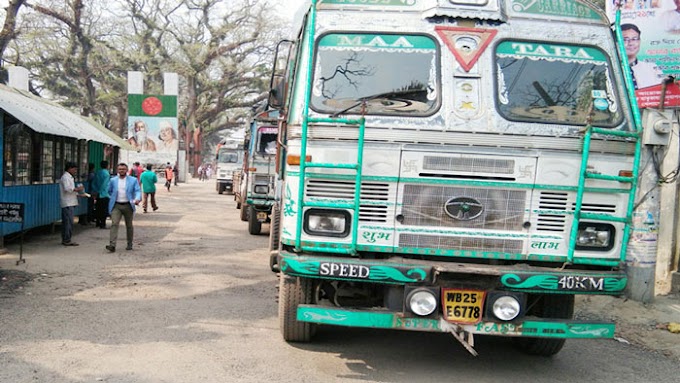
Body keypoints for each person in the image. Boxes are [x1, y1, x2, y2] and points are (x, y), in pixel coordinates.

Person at [105, 163, 142, 252]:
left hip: (128, 205)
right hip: (116, 205)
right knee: (114, 224)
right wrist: (113, 197)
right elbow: (109, 190)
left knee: (129, 225)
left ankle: (129, 243)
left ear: (127, 170)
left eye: (123, 169)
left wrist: (137, 199)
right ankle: (112, 244)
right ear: (117, 170)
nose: (122, 171)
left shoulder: (133, 180)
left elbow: (137, 191)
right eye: (120, 169)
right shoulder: (113, 180)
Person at [621, 24, 662, 90]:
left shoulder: (652, 68)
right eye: (625, 39)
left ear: (639, 41)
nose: (631, 43)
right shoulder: (611, 69)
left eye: (634, 39)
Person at [59, 162, 85, 246]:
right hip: (67, 203)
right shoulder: (65, 177)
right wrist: (78, 189)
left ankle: (67, 238)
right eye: (74, 169)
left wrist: (79, 194)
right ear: (69, 168)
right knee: (68, 222)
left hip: (70, 201)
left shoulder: (69, 177)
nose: (75, 171)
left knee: (69, 222)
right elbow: (68, 189)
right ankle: (66, 239)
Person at [91, 160, 111, 229]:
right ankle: (103, 224)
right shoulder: (107, 174)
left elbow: (94, 183)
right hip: (104, 194)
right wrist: (100, 191)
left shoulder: (97, 172)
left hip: (97, 194)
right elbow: (104, 184)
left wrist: (95, 191)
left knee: (98, 208)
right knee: (104, 210)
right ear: (107, 165)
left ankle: (97, 222)